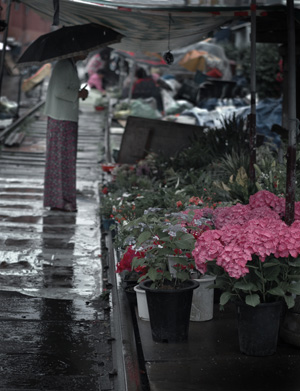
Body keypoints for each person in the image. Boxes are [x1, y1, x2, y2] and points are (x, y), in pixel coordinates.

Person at [43, 55, 89, 212]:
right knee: (61, 161)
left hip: (66, 119)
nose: (87, 53)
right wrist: (79, 94)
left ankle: (63, 200)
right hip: (61, 120)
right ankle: (60, 201)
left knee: (65, 162)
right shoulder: (64, 66)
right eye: (85, 49)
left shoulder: (70, 65)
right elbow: (59, 91)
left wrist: (79, 93)